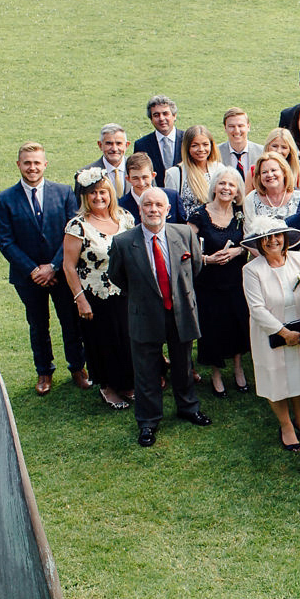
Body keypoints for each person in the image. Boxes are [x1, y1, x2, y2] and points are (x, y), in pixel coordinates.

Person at [107, 187, 210, 446]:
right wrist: (144, 295)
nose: (153, 209)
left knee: (183, 365)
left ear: (167, 209)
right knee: (146, 372)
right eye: (147, 205)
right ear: (139, 210)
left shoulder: (184, 234)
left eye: (158, 205)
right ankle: (148, 421)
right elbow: (117, 276)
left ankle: (188, 407)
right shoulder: (123, 242)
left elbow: (194, 267)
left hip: (180, 312)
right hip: (144, 314)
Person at [0, 142, 87, 395]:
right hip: (28, 278)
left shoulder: (64, 192)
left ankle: (78, 368)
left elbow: (73, 232)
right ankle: (44, 372)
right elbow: (5, 241)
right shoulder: (4, 199)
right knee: (38, 325)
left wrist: (54, 266)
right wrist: (34, 271)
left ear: (45, 164)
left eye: (37, 162)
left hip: (61, 272)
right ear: (19, 165)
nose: (32, 167)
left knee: (70, 322)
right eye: (27, 163)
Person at [241, 217, 300, 450]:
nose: (273, 241)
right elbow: (256, 308)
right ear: (259, 243)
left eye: (277, 235)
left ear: (285, 238)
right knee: (275, 378)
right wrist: (284, 332)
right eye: (266, 238)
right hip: (271, 333)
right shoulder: (251, 270)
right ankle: (286, 425)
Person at [63, 167, 134, 409]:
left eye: (103, 192)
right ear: (85, 197)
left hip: (125, 292)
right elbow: (69, 266)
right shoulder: (77, 226)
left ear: (110, 193)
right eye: (92, 193)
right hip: (96, 295)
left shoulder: (125, 218)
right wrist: (80, 299)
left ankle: (126, 383)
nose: (98, 197)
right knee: (103, 341)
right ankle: (108, 387)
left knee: (127, 338)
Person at [187, 167, 250, 397]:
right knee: (212, 328)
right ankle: (215, 373)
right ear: (214, 186)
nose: (226, 188)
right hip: (208, 284)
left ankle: (237, 367)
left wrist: (237, 252)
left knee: (236, 324)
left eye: (231, 185)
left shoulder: (241, 213)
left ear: (237, 191)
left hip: (235, 281)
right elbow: (184, 249)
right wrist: (207, 259)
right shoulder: (199, 216)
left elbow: (250, 242)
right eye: (222, 183)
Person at [165, 125, 222, 221]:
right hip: (188, 230)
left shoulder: (219, 169)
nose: (201, 149)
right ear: (187, 147)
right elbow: (170, 211)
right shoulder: (174, 173)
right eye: (195, 145)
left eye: (205, 144)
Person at [120, 152, 183, 225]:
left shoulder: (172, 197)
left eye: (145, 177)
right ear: (128, 179)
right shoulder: (121, 206)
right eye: (135, 178)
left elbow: (183, 227)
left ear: (153, 175)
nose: (141, 183)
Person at [132, 95, 182, 185]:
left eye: (165, 113)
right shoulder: (142, 145)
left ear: (174, 116)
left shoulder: (187, 140)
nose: (161, 118)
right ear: (151, 119)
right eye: (156, 115)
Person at [244, 151, 300, 222]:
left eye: (273, 170)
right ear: (259, 176)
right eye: (264, 172)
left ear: (284, 172)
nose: (270, 175)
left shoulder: (299, 197)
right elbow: (249, 230)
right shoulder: (251, 199)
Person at [85, 122, 131, 198]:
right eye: (109, 144)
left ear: (126, 145)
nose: (114, 149)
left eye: (119, 143)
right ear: (100, 145)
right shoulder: (87, 174)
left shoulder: (141, 170)